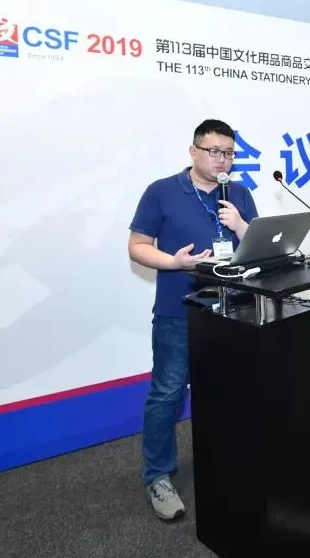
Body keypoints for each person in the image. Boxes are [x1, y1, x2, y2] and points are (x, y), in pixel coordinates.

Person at [127, 119, 258, 521]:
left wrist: (242, 226)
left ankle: (224, 459)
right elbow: (137, 246)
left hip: (232, 309)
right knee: (168, 392)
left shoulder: (239, 193)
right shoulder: (162, 191)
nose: (222, 160)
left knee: (227, 389)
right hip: (178, 310)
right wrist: (173, 262)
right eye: (214, 151)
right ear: (193, 151)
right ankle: (157, 475)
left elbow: (257, 248)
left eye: (229, 153)